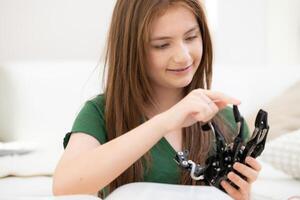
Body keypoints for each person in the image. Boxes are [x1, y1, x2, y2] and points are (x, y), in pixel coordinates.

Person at [53, 0, 261, 199]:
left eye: (190, 37)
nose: (184, 56)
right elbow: (65, 186)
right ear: (131, 50)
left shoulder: (229, 122)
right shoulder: (101, 113)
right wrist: (167, 120)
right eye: (162, 45)